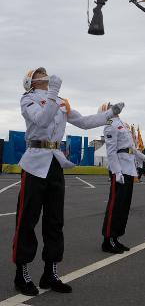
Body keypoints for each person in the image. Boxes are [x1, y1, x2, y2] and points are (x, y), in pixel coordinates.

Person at [13, 68, 124, 296]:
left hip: (54, 163)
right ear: (30, 82)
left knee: (55, 221)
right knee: (27, 219)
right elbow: (41, 121)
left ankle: (50, 273)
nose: (45, 74)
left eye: (46, 72)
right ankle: (21, 273)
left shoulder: (62, 101)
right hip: (34, 162)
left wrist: (109, 114)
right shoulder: (28, 99)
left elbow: (83, 122)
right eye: (39, 73)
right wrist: (53, 91)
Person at [100, 103, 145, 254]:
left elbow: (131, 148)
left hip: (128, 168)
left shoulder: (123, 124)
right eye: (110, 106)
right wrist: (117, 172)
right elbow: (111, 151)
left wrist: (143, 157)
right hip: (119, 169)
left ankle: (116, 238)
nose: (114, 107)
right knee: (115, 206)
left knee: (123, 206)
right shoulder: (110, 125)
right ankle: (107, 240)